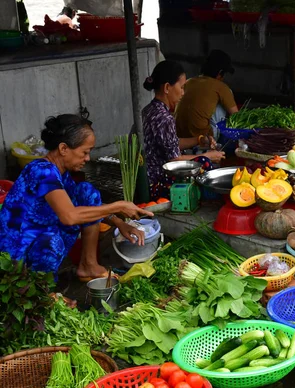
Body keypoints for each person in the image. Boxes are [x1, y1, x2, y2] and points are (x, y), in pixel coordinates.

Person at [0, 114, 153, 281]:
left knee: (87, 193)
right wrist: (118, 206)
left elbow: (87, 206)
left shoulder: (61, 173)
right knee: (53, 242)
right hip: (15, 257)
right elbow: (69, 216)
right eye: (84, 152)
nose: (87, 158)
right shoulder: (41, 171)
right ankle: (41, 291)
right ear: (63, 148)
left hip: (40, 237)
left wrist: (118, 222)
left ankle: (89, 265)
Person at [142, 60, 225, 199]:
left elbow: (170, 144)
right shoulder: (164, 118)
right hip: (158, 183)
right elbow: (175, 160)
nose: (183, 93)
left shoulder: (149, 110)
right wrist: (208, 156)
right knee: (204, 163)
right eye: (181, 87)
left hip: (149, 178)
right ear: (167, 87)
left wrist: (198, 140)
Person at [175, 50, 238, 147]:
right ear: (220, 73)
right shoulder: (221, 87)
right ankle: (218, 145)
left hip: (181, 138)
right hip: (204, 139)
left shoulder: (189, 82)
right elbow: (236, 115)